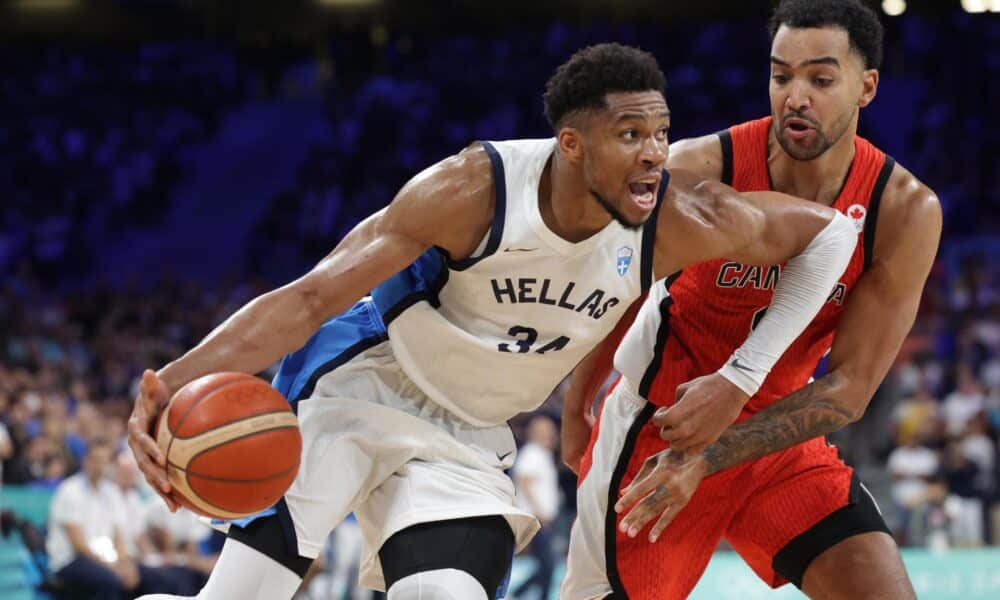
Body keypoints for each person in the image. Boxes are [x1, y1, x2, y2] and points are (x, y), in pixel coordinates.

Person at [129, 43, 858, 600]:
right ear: (571, 145)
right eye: (630, 135)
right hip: (359, 386)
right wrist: (169, 385)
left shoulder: (673, 219)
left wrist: (740, 377)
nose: (655, 155)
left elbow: (831, 237)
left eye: (661, 133)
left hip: (467, 435)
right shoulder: (472, 190)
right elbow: (308, 299)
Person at [560, 2, 942, 599]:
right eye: (781, 75)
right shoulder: (698, 168)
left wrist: (716, 454)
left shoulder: (901, 210)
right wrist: (578, 403)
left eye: (820, 78)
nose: (795, 96)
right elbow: (620, 289)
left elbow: (849, 390)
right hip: (660, 432)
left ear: (866, 87)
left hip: (777, 438)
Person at [511, 415, 560, 600]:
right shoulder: (532, 453)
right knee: (548, 564)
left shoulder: (542, 454)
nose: (552, 435)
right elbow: (524, 481)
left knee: (547, 564)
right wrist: (539, 511)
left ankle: (520, 592)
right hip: (537, 518)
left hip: (543, 518)